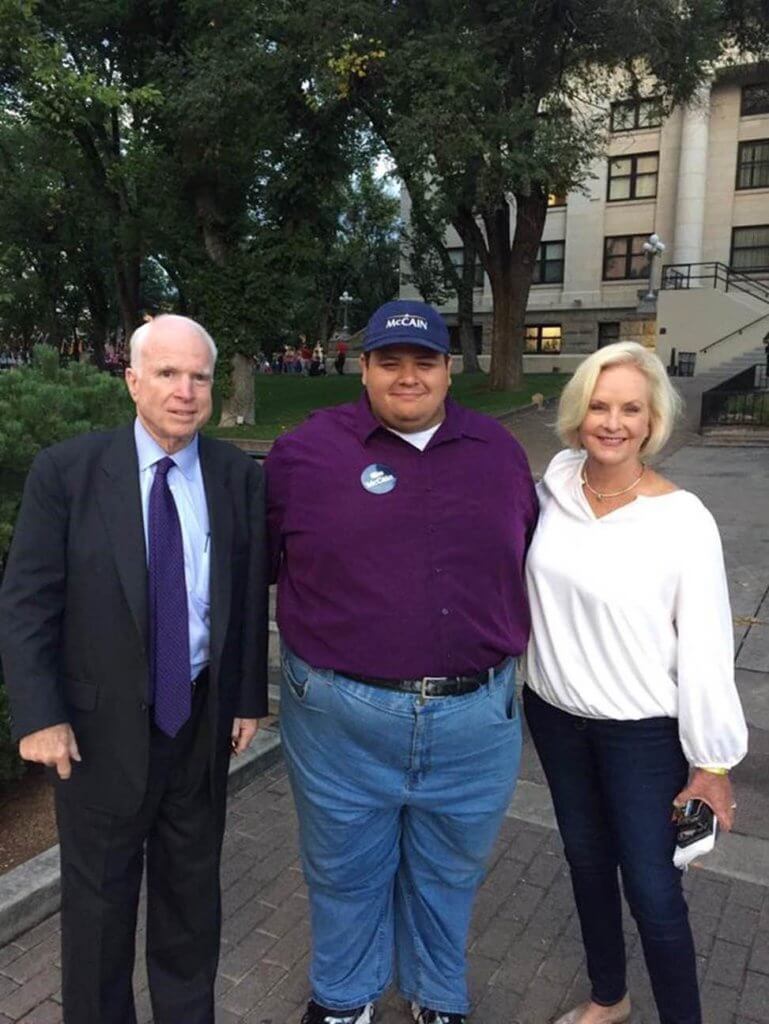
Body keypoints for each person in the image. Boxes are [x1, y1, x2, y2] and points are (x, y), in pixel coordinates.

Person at [265, 299, 537, 1024]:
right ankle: (345, 997)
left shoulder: (498, 451)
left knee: (449, 872)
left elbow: (529, 557)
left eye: (424, 362)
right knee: (344, 871)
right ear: (365, 367)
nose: (407, 377)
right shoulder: (304, 455)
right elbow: (253, 567)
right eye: (390, 361)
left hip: (475, 718)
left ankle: (435, 994)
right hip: (340, 718)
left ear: (448, 370)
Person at [0, 314, 269, 1024]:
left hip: (200, 721)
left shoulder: (236, 474)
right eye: (167, 374)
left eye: (199, 376)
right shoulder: (69, 472)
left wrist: (245, 698)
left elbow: (242, 597)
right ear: (132, 382)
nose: (185, 391)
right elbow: (27, 600)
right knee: (98, 910)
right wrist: (40, 716)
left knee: (190, 901)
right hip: (94, 732)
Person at [523, 342, 748, 1024]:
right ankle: (608, 998)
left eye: (629, 409)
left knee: (653, 892)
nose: (612, 422)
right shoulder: (555, 482)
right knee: (586, 865)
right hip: (554, 718)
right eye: (598, 405)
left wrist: (710, 763)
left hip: (641, 737)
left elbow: (708, 647)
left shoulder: (682, 521)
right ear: (577, 412)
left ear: (652, 421)